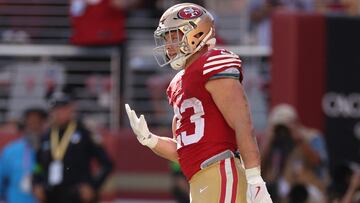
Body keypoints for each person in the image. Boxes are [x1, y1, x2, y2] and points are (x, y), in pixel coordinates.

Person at [125, 3, 272, 202]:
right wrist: (150, 139)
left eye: (174, 36)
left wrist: (255, 178)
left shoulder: (212, 63)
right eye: (167, 38)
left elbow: (243, 123)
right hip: (200, 180)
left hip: (221, 171)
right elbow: (184, 151)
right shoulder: (178, 82)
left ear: (196, 33)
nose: (168, 45)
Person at [32, 93, 113, 203]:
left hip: (77, 195)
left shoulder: (84, 132)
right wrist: (37, 183)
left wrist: (93, 186)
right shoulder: (46, 136)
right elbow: (37, 165)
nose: (59, 113)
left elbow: (107, 164)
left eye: (63, 108)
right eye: (56, 109)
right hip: (51, 195)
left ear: (71, 109)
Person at [0, 108, 47, 203]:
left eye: (38, 123)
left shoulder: (50, 149)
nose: (34, 126)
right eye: (31, 122)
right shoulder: (11, 150)